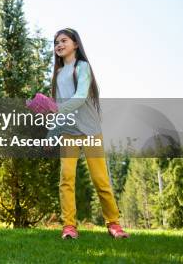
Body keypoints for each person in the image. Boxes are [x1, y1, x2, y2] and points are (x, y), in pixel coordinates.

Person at [50, 28, 129, 240]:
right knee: (66, 179)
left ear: (75, 44)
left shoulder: (82, 67)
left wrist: (58, 110)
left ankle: (113, 224)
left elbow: (80, 96)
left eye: (64, 40)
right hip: (68, 131)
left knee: (100, 179)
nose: (59, 44)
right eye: (56, 42)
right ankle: (69, 226)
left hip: (90, 130)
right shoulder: (57, 74)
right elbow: (57, 105)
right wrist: (52, 131)